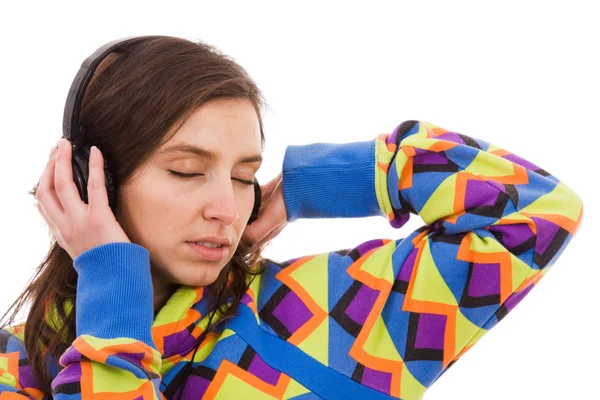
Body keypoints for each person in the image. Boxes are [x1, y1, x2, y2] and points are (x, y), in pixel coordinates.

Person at [0, 35, 583, 400]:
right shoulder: (15, 368)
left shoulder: (331, 312)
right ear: (86, 181)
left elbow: (536, 211)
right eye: (185, 170)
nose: (226, 208)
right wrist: (111, 290)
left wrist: (323, 183)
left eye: (241, 174)